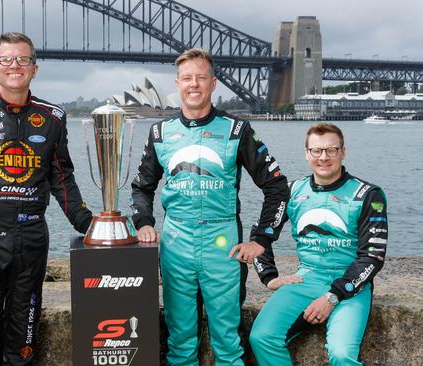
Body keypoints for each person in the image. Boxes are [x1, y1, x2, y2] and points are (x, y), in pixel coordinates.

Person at [0, 32, 93, 366]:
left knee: (23, 344)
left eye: (23, 59)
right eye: (7, 59)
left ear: (34, 69)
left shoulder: (52, 118)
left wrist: (91, 225)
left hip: (31, 244)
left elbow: (62, 178)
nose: (15, 66)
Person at [131, 48, 290, 366]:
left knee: (228, 345)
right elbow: (141, 187)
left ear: (213, 83)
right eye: (187, 78)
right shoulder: (160, 133)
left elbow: (277, 188)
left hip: (223, 244)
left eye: (201, 78)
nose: (194, 84)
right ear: (177, 84)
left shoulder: (236, 130)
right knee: (180, 342)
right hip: (176, 244)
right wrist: (144, 222)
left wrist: (261, 240)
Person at [249, 123, 388, 366]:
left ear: (343, 152)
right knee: (262, 337)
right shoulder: (291, 191)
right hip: (306, 279)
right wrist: (269, 277)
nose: (323, 157)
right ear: (306, 153)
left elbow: (372, 257)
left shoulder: (367, 194)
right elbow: (260, 234)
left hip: (351, 285)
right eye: (316, 151)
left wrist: (333, 296)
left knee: (342, 354)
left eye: (331, 150)